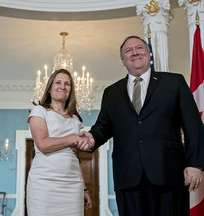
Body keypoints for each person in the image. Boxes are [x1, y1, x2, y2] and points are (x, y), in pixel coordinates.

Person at [78, 35, 204, 216]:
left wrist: (195, 164)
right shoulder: (111, 92)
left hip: (168, 173)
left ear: (148, 54)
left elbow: (193, 126)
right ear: (123, 60)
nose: (134, 52)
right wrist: (91, 137)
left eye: (139, 48)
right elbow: (103, 127)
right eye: (128, 51)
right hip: (128, 177)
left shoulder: (174, 82)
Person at [26, 68, 93, 215]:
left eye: (67, 84)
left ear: (71, 90)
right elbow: (43, 145)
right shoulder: (39, 111)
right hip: (44, 183)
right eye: (58, 82)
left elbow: (75, 157)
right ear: (50, 88)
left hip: (72, 184)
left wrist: (83, 188)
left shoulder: (75, 120)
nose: (63, 86)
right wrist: (73, 138)